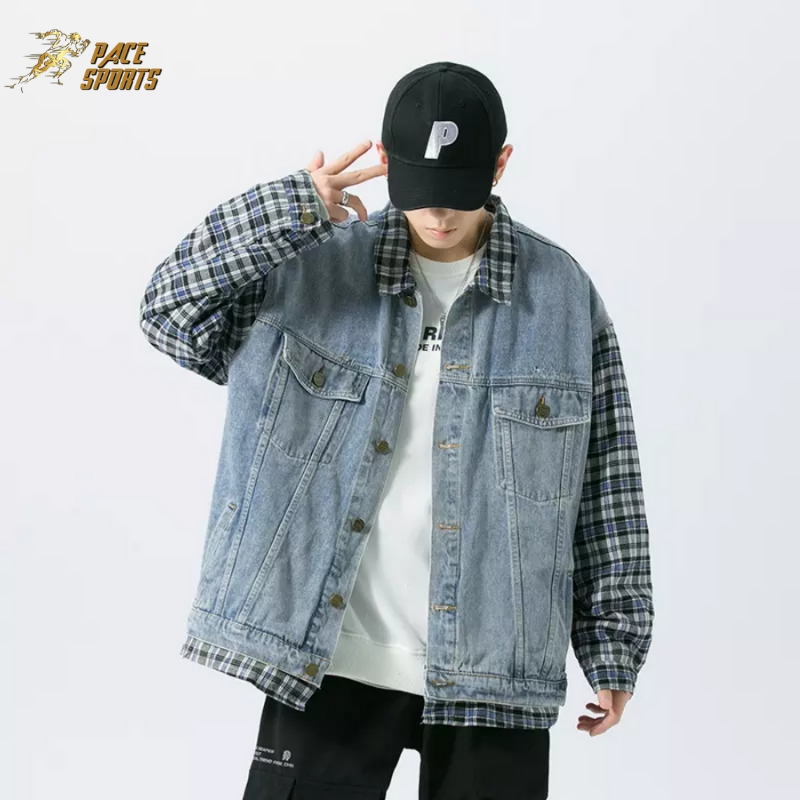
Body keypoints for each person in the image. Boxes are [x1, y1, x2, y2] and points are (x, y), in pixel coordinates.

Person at [139, 61, 654, 800]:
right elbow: (169, 313)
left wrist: (613, 645)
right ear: (385, 158)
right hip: (329, 657)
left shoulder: (561, 297)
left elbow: (607, 482)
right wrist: (287, 207)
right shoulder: (313, 270)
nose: (438, 213)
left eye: (459, 190)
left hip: (495, 667)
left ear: (501, 164)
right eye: (421, 189)